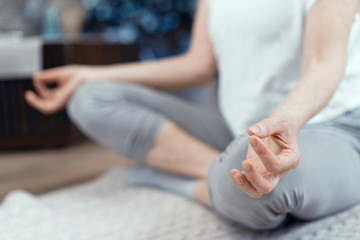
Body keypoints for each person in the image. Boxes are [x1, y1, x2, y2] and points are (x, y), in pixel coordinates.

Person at [25, 0, 360, 230]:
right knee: (90, 99)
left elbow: (322, 61)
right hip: (239, 130)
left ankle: (182, 181)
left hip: (331, 126)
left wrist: (286, 120)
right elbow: (197, 64)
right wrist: (89, 74)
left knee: (254, 180)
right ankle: (217, 175)